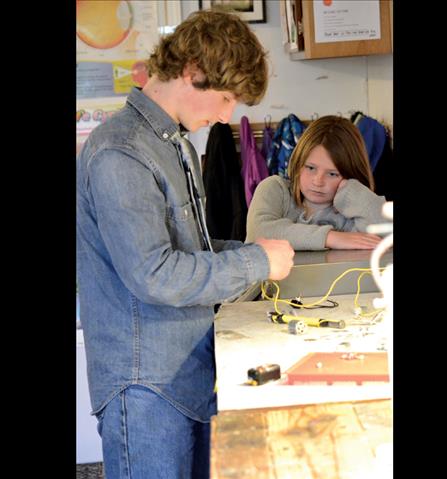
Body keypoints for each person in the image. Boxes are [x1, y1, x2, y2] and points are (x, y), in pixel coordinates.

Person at [76, 10, 294, 479]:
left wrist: (249, 252)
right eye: (226, 97)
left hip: (186, 369)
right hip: (146, 384)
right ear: (193, 70)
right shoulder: (122, 151)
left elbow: (187, 248)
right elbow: (154, 273)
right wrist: (256, 261)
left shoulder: (174, 144)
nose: (225, 115)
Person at [246, 115, 386, 251]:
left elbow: (387, 232)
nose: (318, 181)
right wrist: (331, 238)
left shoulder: (352, 210)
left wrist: (351, 189)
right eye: (311, 168)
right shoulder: (274, 188)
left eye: (332, 174)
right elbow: (258, 232)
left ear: (351, 174)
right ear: (298, 163)